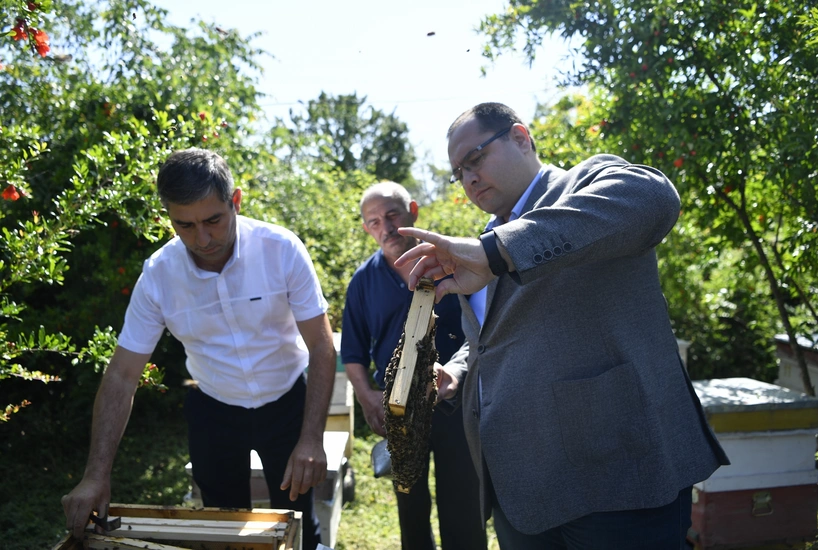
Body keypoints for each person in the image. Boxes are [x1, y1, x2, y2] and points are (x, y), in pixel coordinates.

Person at [394, 102, 730, 550]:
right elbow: (492, 338)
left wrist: (496, 252)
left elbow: (655, 198)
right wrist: (455, 371)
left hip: (617, 478)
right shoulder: (482, 243)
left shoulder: (586, 183)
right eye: (459, 172)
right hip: (521, 490)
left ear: (520, 136)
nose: (469, 178)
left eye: (475, 159)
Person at [61, 148, 336, 548]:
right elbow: (122, 376)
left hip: (287, 404)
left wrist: (312, 438)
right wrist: (95, 474)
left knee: (297, 521)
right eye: (184, 225)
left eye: (213, 220)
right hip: (214, 411)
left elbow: (322, 346)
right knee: (224, 529)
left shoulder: (281, 249)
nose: (202, 239)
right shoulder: (159, 275)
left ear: (235, 201)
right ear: (168, 217)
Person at [340, 181, 487, 550]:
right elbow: (353, 352)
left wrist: (454, 372)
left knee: (463, 504)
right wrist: (368, 397)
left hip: (454, 402)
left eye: (392, 216)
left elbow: (483, 329)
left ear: (413, 212)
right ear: (365, 229)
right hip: (399, 411)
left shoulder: (453, 262)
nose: (385, 228)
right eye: (374, 222)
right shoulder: (363, 282)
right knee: (410, 503)